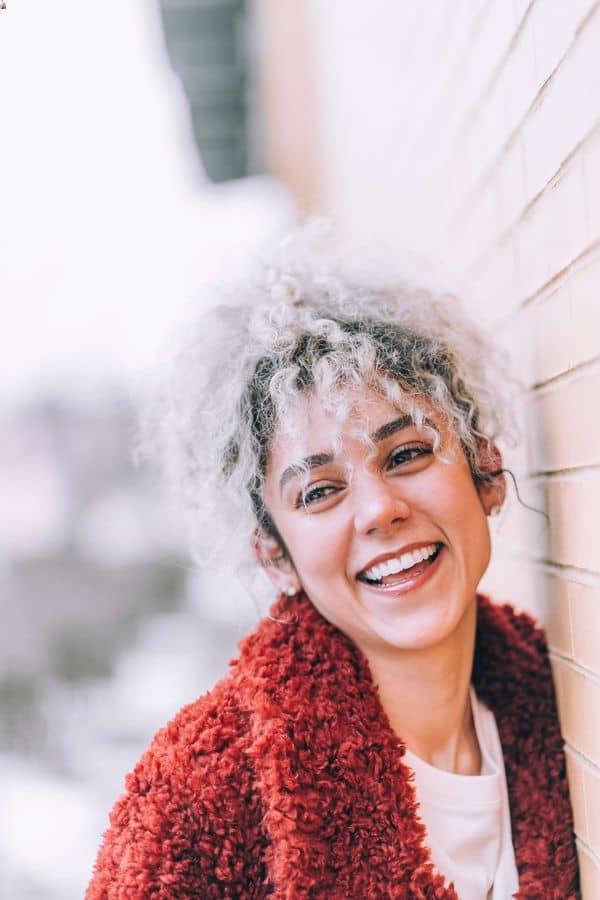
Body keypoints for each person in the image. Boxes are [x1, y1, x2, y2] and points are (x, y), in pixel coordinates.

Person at [87, 231, 579, 899]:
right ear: (274, 555)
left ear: (485, 468)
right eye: (319, 492)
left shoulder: (562, 717)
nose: (378, 510)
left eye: (406, 453)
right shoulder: (194, 805)